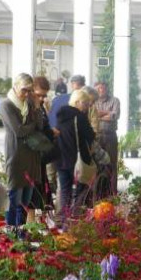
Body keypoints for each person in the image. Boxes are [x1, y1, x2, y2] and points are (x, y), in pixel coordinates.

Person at [0, 73, 42, 228]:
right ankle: (10, 234)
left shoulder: (30, 105)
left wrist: (37, 108)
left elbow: (41, 126)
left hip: (31, 157)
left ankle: (21, 234)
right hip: (16, 156)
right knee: (14, 200)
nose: (27, 94)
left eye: (30, 91)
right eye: (24, 90)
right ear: (15, 86)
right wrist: (32, 127)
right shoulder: (7, 104)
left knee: (25, 202)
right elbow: (18, 131)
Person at [54, 89, 96, 223]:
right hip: (77, 159)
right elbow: (90, 136)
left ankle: (62, 218)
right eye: (86, 103)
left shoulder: (60, 115)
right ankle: (77, 217)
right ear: (77, 102)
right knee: (81, 189)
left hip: (61, 157)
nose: (87, 106)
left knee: (64, 189)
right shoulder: (80, 117)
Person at [26, 76, 58, 219]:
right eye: (38, 95)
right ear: (31, 91)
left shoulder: (40, 107)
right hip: (30, 155)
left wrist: (51, 132)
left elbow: (44, 127)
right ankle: (29, 224)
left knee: (40, 189)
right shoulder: (27, 107)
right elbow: (35, 130)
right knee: (31, 191)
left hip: (41, 156)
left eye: (44, 95)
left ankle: (36, 223)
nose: (41, 98)